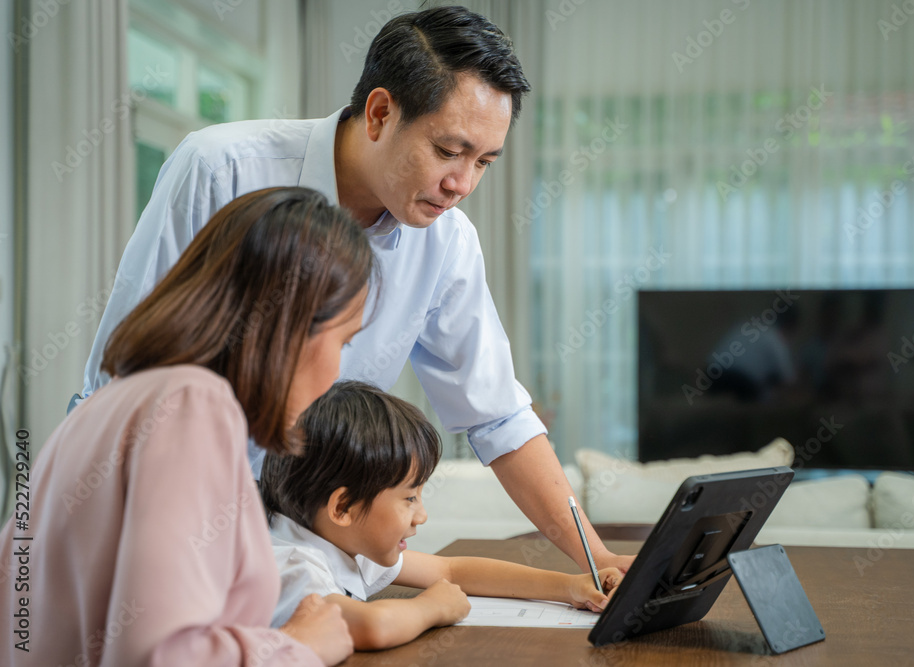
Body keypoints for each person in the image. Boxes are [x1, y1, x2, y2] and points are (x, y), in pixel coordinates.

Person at [74, 6, 633, 574]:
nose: (462, 184)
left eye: (484, 161)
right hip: (167, 519)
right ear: (381, 112)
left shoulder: (446, 241)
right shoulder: (222, 170)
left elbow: (499, 416)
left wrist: (599, 559)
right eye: (447, 151)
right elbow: (123, 380)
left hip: (301, 542)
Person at [1, 188, 372, 666]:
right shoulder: (191, 406)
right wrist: (297, 646)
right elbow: (164, 655)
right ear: (290, 326)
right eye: (343, 341)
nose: (337, 372)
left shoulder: (108, 407)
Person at [260, 381, 622, 650]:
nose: (422, 516)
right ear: (343, 507)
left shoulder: (338, 541)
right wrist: (431, 608)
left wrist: (569, 587)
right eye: (410, 498)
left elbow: (451, 570)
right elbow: (371, 626)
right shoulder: (292, 565)